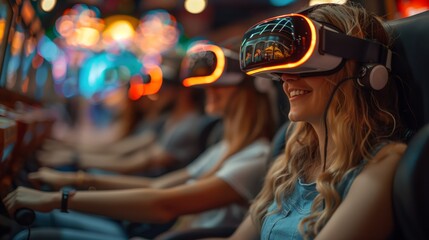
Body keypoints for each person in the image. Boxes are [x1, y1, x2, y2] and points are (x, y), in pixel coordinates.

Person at [2, 41, 278, 240]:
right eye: (207, 87)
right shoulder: (226, 146)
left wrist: (62, 193)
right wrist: (73, 177)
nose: (209, 92)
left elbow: (162, 202)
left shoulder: (255, 155)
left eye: (220, 87)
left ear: (249, 92)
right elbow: (154, 185)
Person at [210, 3, 408, 240]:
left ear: (364, 68)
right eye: (282, 68)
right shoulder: (290, 162)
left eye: (307, 63)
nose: (286, 78)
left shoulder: (384, 163)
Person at [36, 52, 212, 177]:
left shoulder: (188, 125)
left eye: (163, 86)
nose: (154, 93)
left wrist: (74, 160)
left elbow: (132, 161)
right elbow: (118, 149)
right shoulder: (167, 121)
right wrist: (71, 153)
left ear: (184, 90)